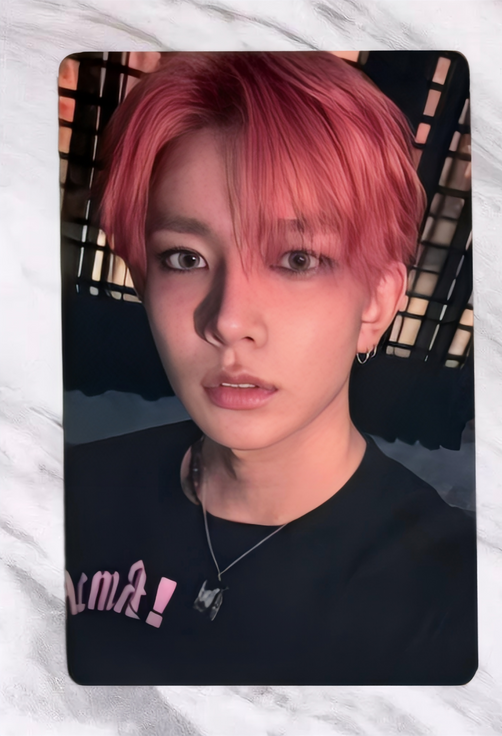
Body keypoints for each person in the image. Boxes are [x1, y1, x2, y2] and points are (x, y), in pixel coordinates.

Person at [64, 52, 477, 685]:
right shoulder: (64, 496)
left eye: (297, 260)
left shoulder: (453, 602)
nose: (228, 320)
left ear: (376, 302)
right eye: (184, 258)